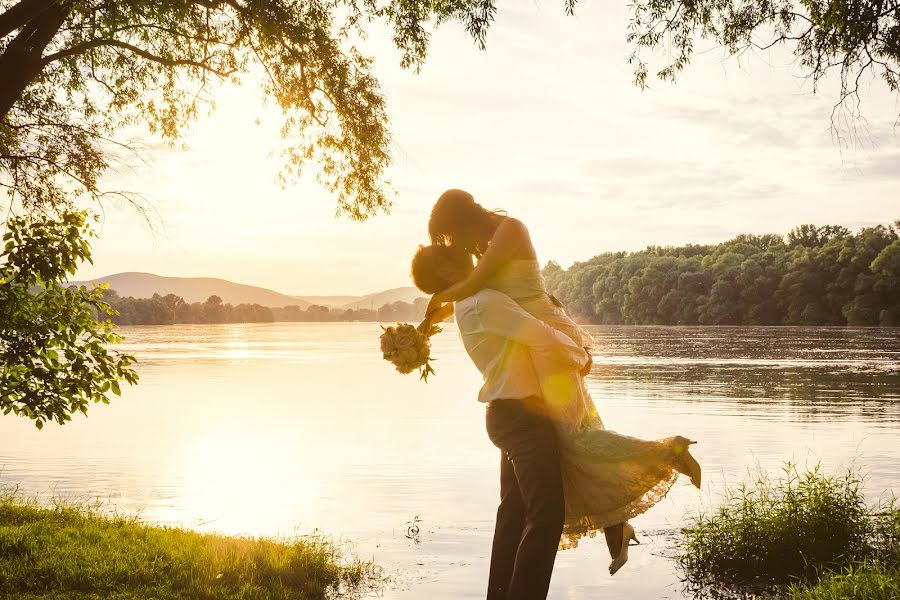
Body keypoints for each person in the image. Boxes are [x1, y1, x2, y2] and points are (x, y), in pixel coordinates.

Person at [416, 192, 702, 574]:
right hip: (540, 346)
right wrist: (439, 306)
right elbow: (482, 290)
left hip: (550, 338)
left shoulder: (509, 230)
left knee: (577, 436)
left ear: (464, 219)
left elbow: (477, 285)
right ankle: (617, 521)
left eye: (450, 235)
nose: (453, 245)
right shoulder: (484, 257)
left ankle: (663, 459)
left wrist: (435, 303)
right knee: (576, 439)